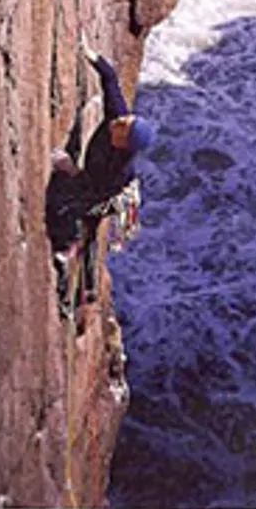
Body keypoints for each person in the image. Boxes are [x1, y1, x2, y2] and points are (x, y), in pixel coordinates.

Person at [45, 38, 157, 322]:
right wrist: (89, 52)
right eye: (124, 120)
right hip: (102, 187)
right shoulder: (118, 116)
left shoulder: (115, 166)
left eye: (122, 127)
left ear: (124, 144)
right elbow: (110, 79)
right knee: (84, 220)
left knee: (70, 210)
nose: (118, 122)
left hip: (110, 197)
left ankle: (70, 251)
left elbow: (91, 188)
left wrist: (69, 169)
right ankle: (89, 284)